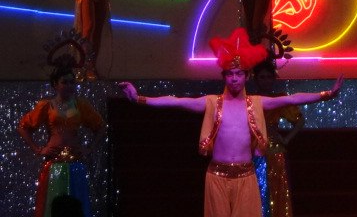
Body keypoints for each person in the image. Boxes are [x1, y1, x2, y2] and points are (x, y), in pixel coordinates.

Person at [119, 27, 342, 217]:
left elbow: (292, 99)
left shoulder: (256, 103)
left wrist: (326, 94)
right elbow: (175, 101)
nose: (234, 78)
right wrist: (139, 98)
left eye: (239, 73)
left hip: (246, 177)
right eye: (230, 74)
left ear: (246, 76)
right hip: (216, 177)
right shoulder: (211, 103)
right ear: (224, 76)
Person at [18, 35, 106, 217]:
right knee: (54, 205)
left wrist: (89, 148)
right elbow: (23, 127)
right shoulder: (46, 106)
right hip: (54, 163)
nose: (69, 85)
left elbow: (100, 127)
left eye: (72, 82)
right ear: (55, 85)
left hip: (75, 163)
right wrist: (38, 149)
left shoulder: (81, 105)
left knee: (76, 204)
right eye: (65, 82)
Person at [253, 58, 305, 217]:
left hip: (275, 152)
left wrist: (286, 139)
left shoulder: (279, 99)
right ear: (256, 79)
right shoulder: (249, 100)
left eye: (269, 77)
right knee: (256, 191)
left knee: (277, 191)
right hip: (252, 152)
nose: (266, 81)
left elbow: (300, 121)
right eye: (262, 77)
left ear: (274, 79)